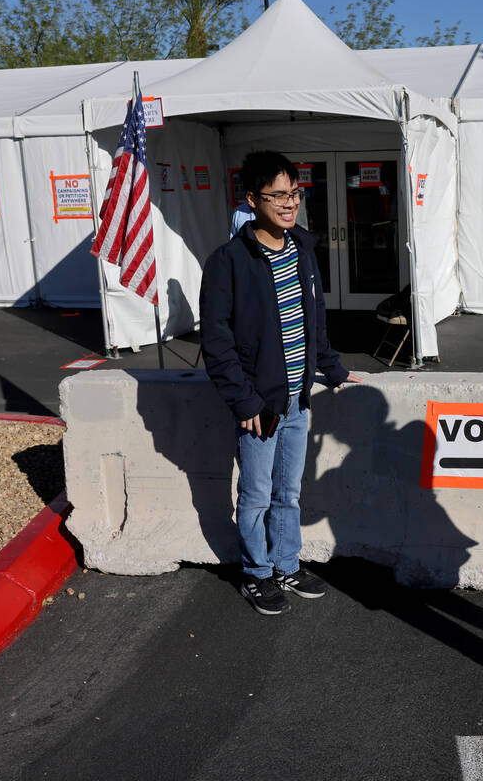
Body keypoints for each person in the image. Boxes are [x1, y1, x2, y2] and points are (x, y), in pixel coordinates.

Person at [201, 150, 363, 616]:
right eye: (278, 196)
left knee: (289, 494)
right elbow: (217, 343)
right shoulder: (228, 261)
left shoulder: (303, 250)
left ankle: (287, 564)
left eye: (294, 193)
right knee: (254, 496)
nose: (290, 204)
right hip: (260, 407)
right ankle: (256, 573)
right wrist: (244, 401)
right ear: (253, 199)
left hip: (298, 401)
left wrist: (330, 367)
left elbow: (312, 320)